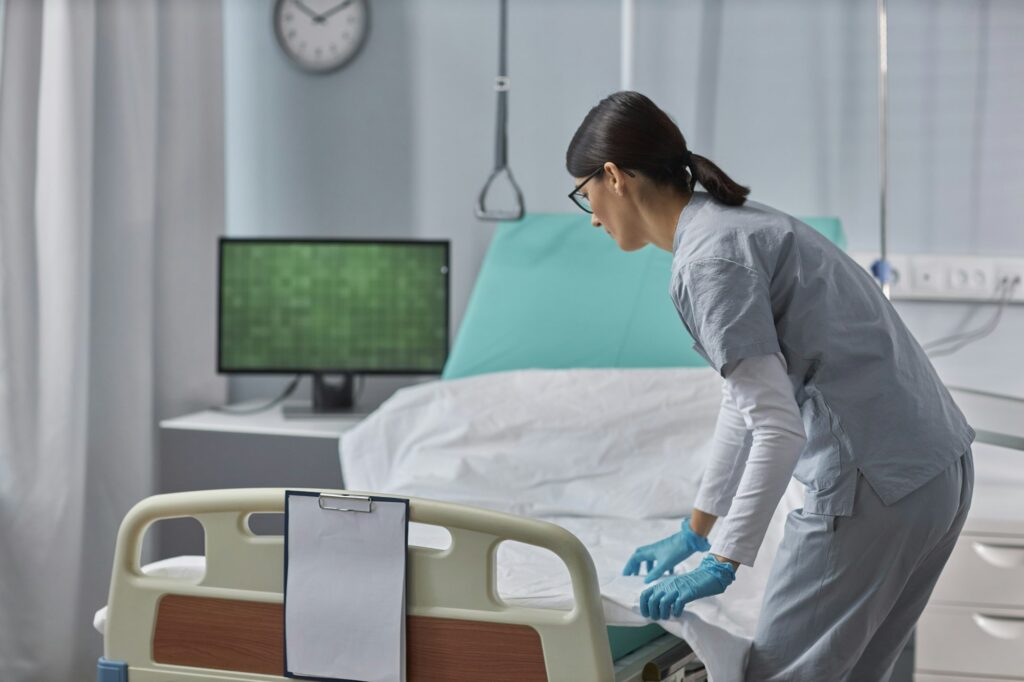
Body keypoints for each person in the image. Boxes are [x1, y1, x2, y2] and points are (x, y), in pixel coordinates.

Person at [565, 91, 975, 681]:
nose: (594, 218)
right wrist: (696, 528)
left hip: (875, 487)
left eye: (586, 198)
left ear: (614, 177)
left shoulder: (708, 262)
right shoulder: (737, 225)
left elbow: (776, 427)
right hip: (937, 471)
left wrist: (724, 560)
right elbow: (749, 398)